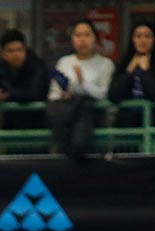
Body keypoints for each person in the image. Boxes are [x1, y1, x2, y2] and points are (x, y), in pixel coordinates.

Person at [48, 19, 113, 157]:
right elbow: (53, 94)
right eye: (77, 35)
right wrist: (63, 95)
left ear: (95, 38)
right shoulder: (64, 62)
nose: (82, 39)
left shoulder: (105, 64)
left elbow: (104, 93)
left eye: (87, 35)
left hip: (93, 117)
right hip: (67, 117)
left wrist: (83, 84)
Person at [109, 21, 155, 106]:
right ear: (132, 40)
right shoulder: (125, 61)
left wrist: (145, 71)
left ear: (154, 40)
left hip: (154, 116)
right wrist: (129, 71)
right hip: (127, 116)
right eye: (138, 36)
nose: (142, 40)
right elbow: (113, 96)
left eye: (147, 36)